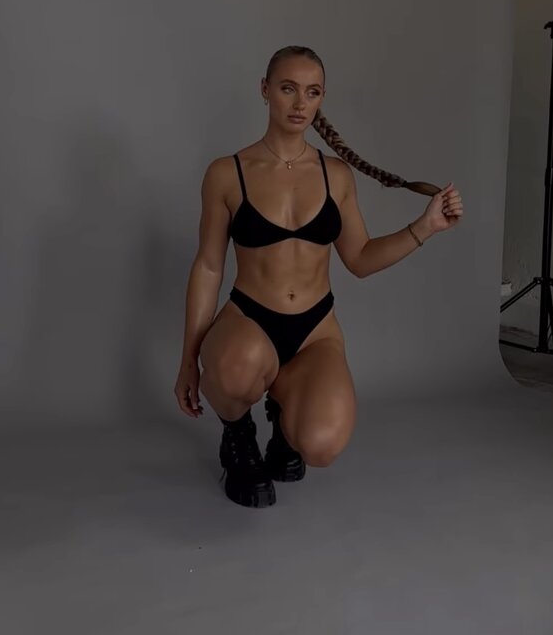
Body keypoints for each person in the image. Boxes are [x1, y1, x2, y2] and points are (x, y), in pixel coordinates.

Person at [174, 46, 463, 508]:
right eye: (288, 89)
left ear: (322, 98)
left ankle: (285, 420)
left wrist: (424, 227)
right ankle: (238, 436)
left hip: (314, 331)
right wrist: (188, 358)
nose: (299, 103)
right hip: (249, 319)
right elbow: (209, 266)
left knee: (322, 444)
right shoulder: (227, 174)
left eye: (312, 92)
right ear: (265, 90)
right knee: (235, 372)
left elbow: (360, 259)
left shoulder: (336, 176)